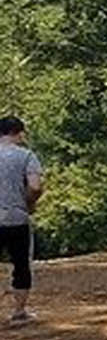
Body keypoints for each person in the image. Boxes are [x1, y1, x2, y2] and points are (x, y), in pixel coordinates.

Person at [0, 118, 45, 323]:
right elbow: (35, 186)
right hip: (17, 217)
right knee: (21, 264)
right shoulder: (26, 156)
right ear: (19, 133)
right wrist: (28, 202)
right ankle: (19, 312)